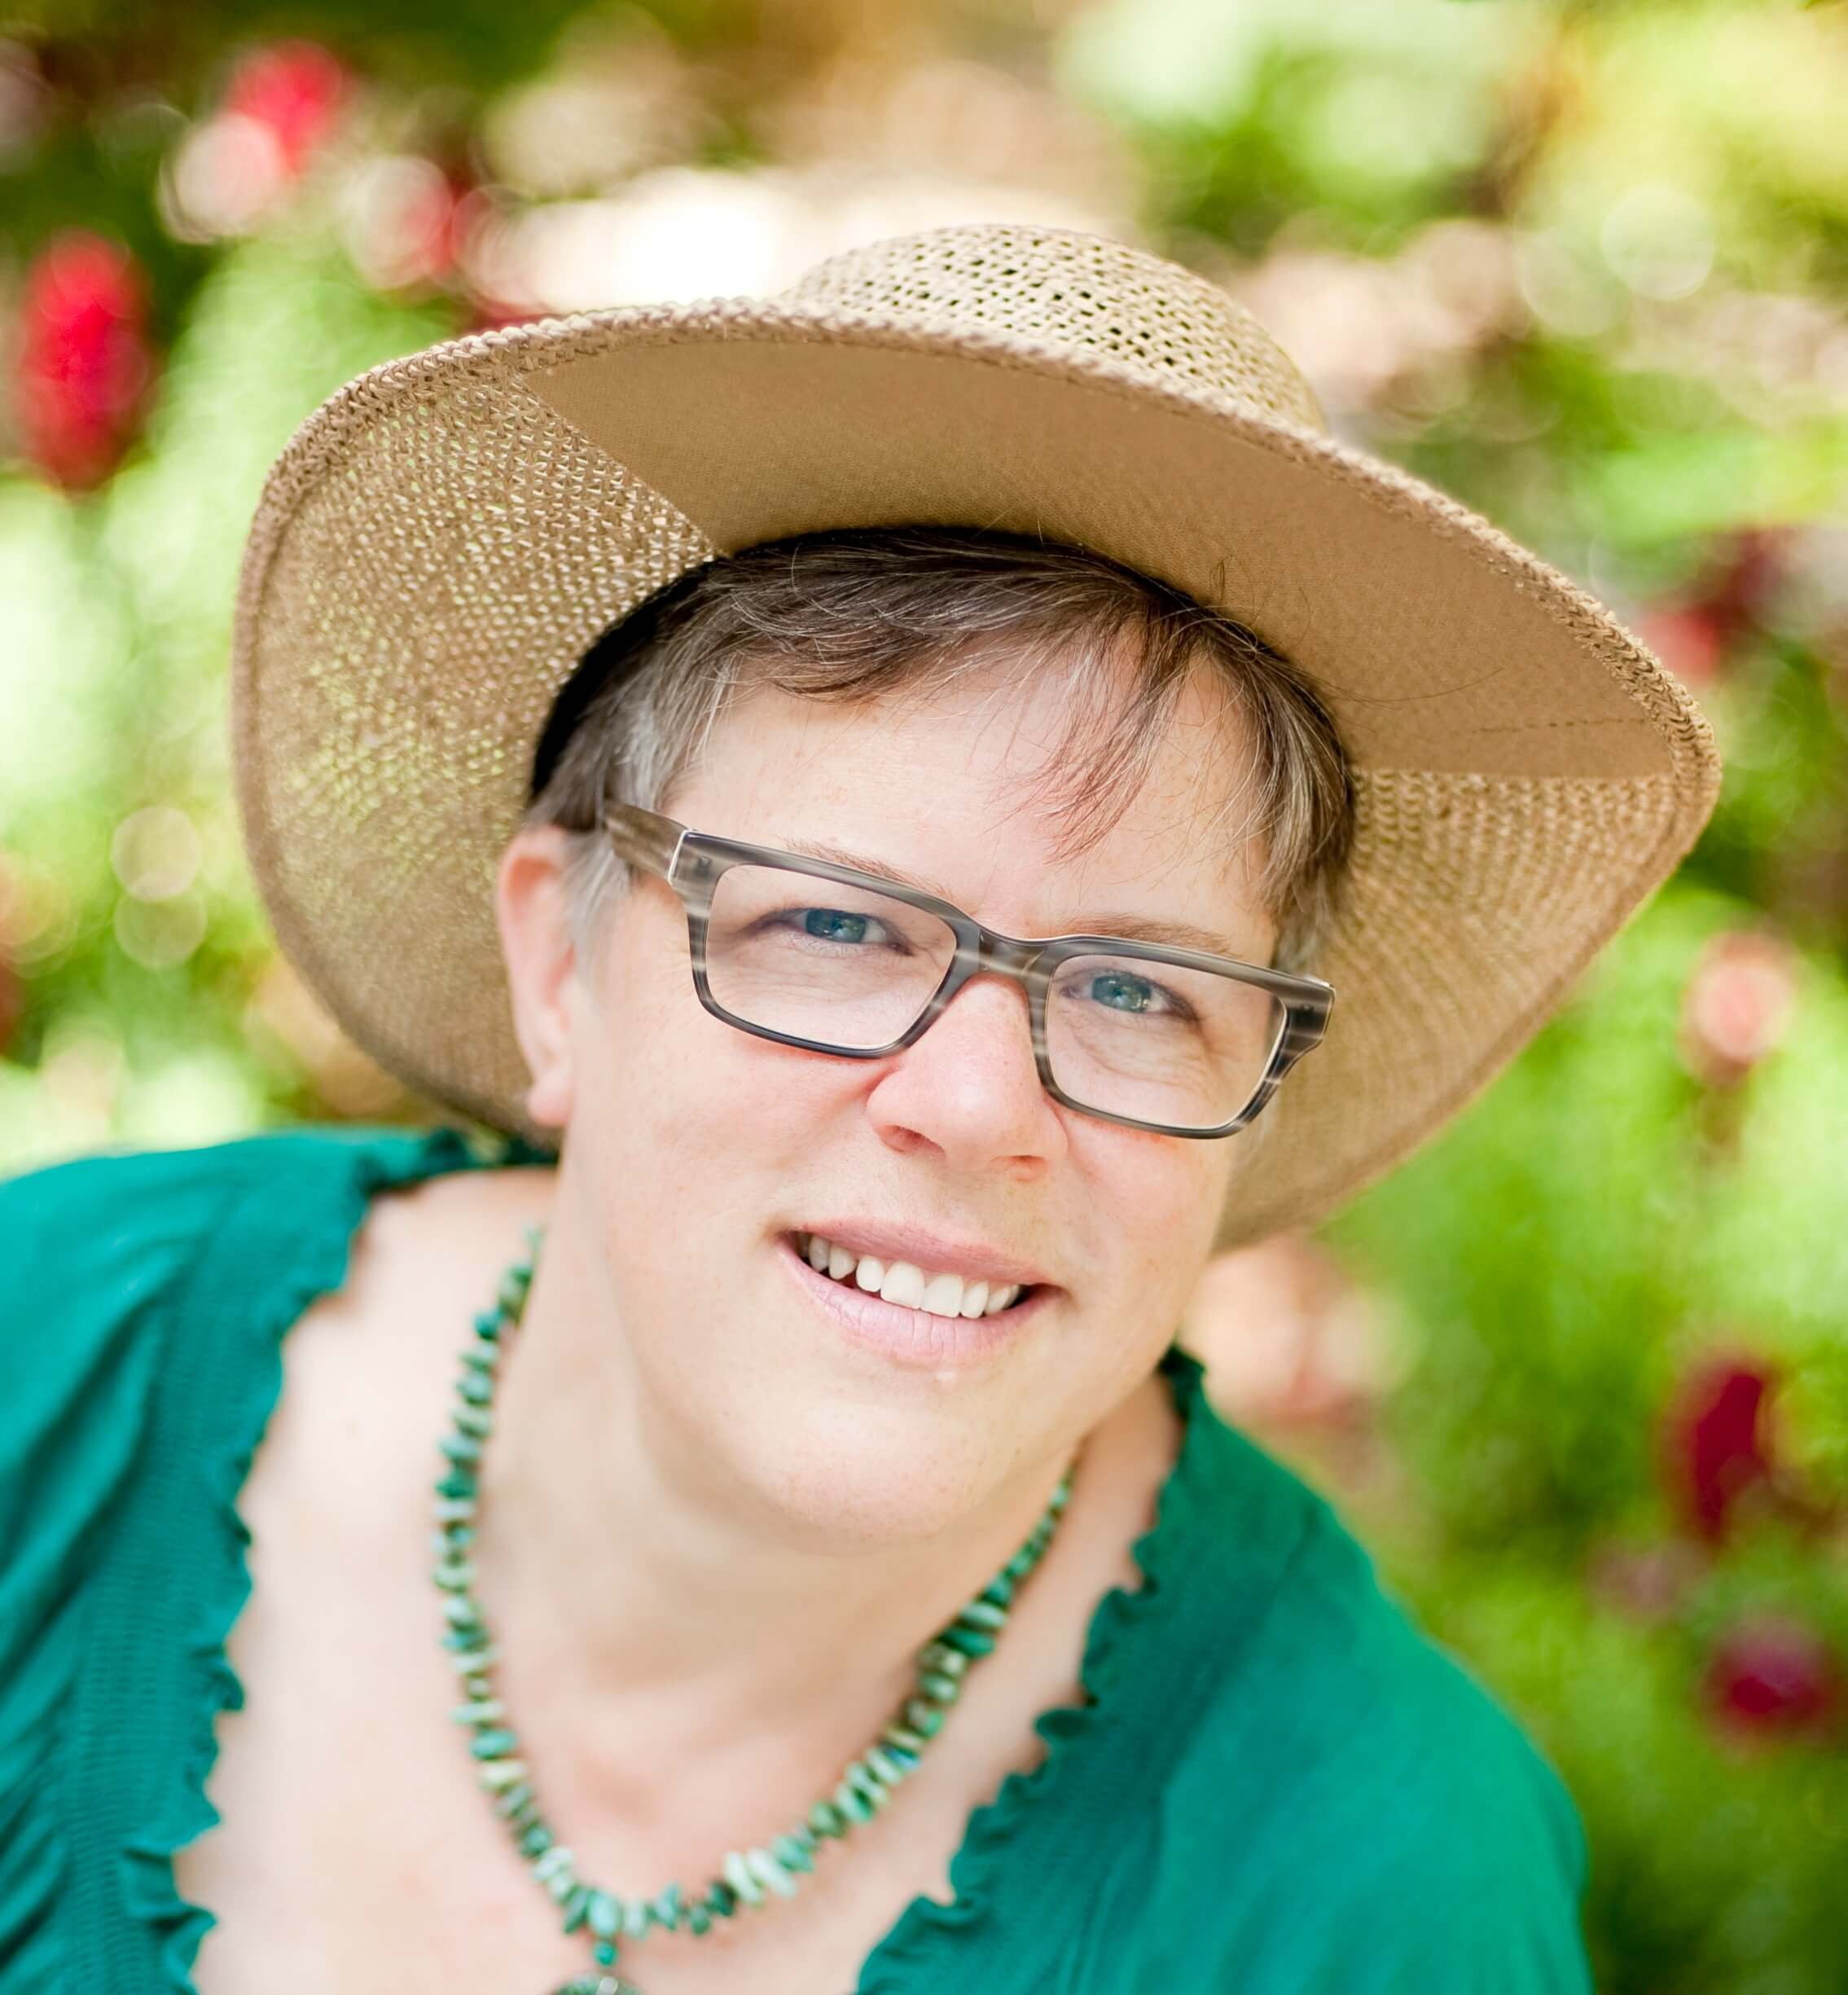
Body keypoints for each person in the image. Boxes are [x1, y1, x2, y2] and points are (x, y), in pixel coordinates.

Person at [0, 224, 1720, 1995]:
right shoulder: (42, 1370)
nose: (978, 1106)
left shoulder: (1364, 1886)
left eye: (1137, 989)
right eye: (830, 922)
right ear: (557, 965)